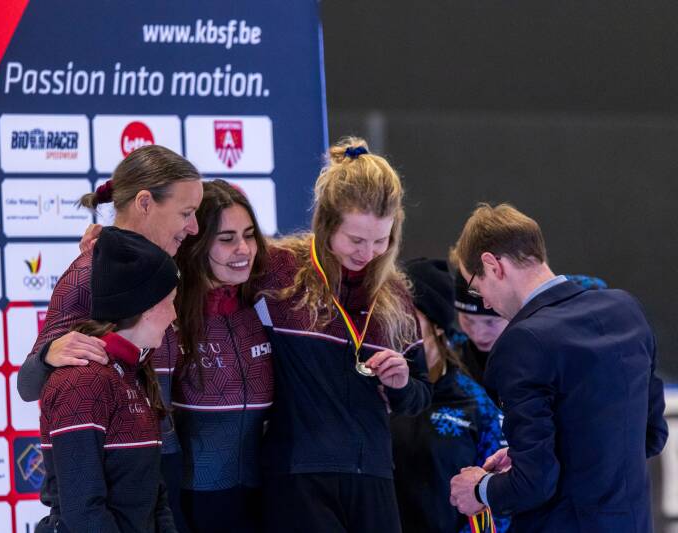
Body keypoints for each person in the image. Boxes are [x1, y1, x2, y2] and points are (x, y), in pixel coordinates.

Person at [448, 203, 668, 532]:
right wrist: (529, 455)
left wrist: (480, 488)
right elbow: (650, 436)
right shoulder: (626, 311)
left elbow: (535, 482)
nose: (487, 303)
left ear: (493, 265)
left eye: (477, 288)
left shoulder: (521, 342)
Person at [18, 144, 203, 533]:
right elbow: (28, 384)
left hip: (157, 460)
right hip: (118, 472)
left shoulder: (169, 260)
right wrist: (47, 355)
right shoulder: (90, 273)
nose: (194, 227)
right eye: (186, 213)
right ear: (145, 203)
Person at [255, 138, 432, 533]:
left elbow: (420, 395)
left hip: (373, 475)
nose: (367, 253)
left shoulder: (396, 296)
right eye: (356, 240)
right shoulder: (280, 272)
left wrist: (402, 383)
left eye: (381, 240)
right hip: (298, 473)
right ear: (327, 223)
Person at [37, 226, 179, 532]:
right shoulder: (83, 381)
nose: (174, 316)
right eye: (170, 302)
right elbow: (84, 512)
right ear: (146, 306)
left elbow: (156, 497)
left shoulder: (133, 371)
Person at [166, 180, 273, 532]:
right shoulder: (166, 318)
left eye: (249, 235)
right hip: (193, 503)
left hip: (267, 499)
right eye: (226, 239)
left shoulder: (267, 305)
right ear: (196, 244)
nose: (243, 249)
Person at [391, 258, 509, 533]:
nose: (395, 327)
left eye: (407, 317)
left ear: (437, 325)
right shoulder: (373, 392)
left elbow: (499, 507)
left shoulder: (476, 406)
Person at [452, 273, 509, 394]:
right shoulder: (449, 357)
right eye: (468, 320)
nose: (479, 335)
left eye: (490, 322)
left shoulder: (542, 358)